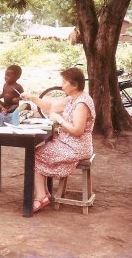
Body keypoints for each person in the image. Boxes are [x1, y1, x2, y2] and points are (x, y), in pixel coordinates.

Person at [21, 67, 95, 213]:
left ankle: (41, 196)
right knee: (37, 150)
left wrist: (60, 120)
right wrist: (32, 98)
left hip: (77, 147)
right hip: (69, 143)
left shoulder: (81, 104)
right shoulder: (73, 98)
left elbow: (78, 130)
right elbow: (51, 107)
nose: (61, 86)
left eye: (64, 82)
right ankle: (44, 193)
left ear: (74, 85)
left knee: (34, 154)